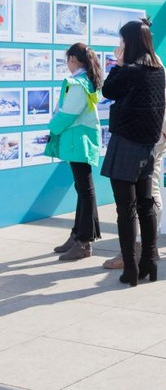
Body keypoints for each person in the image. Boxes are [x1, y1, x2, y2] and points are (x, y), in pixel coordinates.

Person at [101, 18, 166, 287]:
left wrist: (117, 65)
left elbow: (108, 90)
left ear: (131, 43)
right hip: (147, 145)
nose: (120, 46)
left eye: (123, 41)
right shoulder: (156, 70)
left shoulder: (129, 71)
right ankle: (149, 261)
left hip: (126, 143)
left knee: (125, 209)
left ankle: (130, 267)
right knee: (145, 204)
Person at [102, 53, 166, 271]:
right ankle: (147, 248)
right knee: (146, 194)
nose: (119, 47)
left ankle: (141, 248)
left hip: (144, 139)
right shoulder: (152, 62)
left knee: (145, 195)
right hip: (153, 136)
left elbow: (159, 101)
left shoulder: (144, 64)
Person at [49, 43, 103, 261]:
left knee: (85, 189)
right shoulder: (85, 81)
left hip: (77, 140)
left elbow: (68, 113)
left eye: (67, 60)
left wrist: (52, 127)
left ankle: (84, 241)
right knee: (83, 188)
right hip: (79, 140)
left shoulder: (79, 84)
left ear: (73, 59)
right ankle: (78, 235)